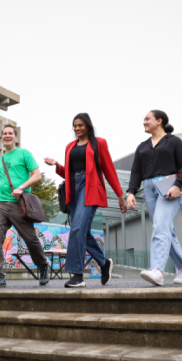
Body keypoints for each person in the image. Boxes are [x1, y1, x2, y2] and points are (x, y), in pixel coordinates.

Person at [45, 113, 127, 288]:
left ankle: (77, 275)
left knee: (77, 228)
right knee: (82, 231)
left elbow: (109, 169)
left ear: (88, 126)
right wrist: (58, 166)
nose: (77, 128)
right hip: (73, 187)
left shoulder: (99, 143)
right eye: (75, 125)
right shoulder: (69, 146)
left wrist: (120, 196)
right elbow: (69, 172)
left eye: (80, 125)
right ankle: (104, 263)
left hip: (90, 188)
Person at [0, 124, 50, 288]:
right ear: (2, 137)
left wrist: (21, 187)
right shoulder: (0, 160)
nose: (7, 136)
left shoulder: (24, 153)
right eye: (5, 134)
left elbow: (37, 175)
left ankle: (43, 266)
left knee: (30, 239)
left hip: (20, 203)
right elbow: (0, 182)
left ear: (16, 137)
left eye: (11, 133)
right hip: (0, 204)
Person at [126, 110, 182, 286]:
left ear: (159, 121)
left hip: (169, 186)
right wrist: (131, 192)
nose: (144, 122)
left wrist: (177, 185)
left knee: (160, 226)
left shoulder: (174, 141)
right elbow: (136, 172)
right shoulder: (142, 146)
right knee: (166, 229)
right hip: (148, 188)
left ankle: (157, 271)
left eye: (147, 119)